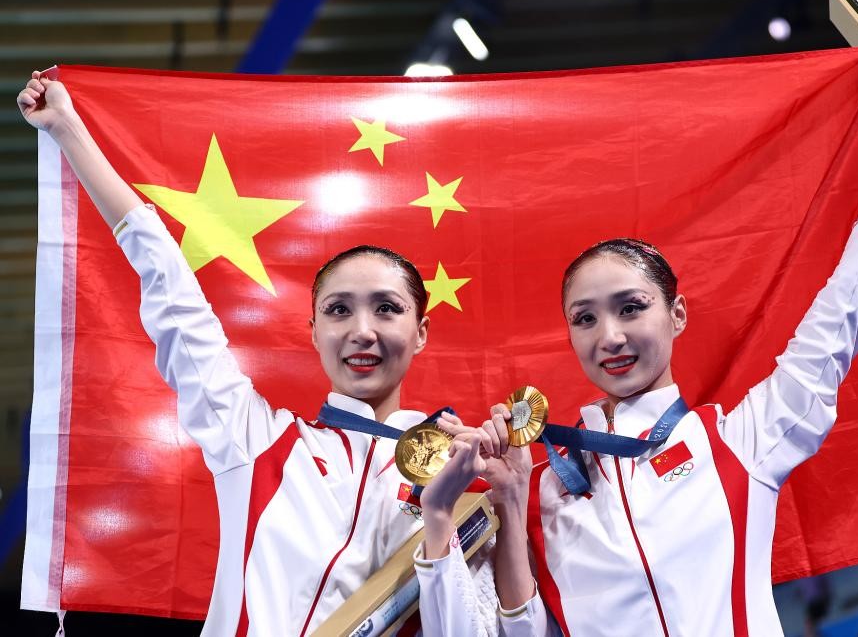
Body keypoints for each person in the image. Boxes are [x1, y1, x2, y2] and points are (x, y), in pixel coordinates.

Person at [16, 75, 535, 636]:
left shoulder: (461, 475)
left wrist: (449, 512)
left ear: (421, 333)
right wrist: (68, 130)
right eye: (339, 310)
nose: (362, 331)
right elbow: (169, 285)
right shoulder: (254, 438)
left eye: (387, 309)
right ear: (314, 332)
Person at [463, 31, 858, 636]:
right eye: (584, 318)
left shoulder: (742, 440)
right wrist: (510, 504)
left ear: (677, 315)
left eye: (631, 308)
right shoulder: (544, 483)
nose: (610, 336)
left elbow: (845, 304)